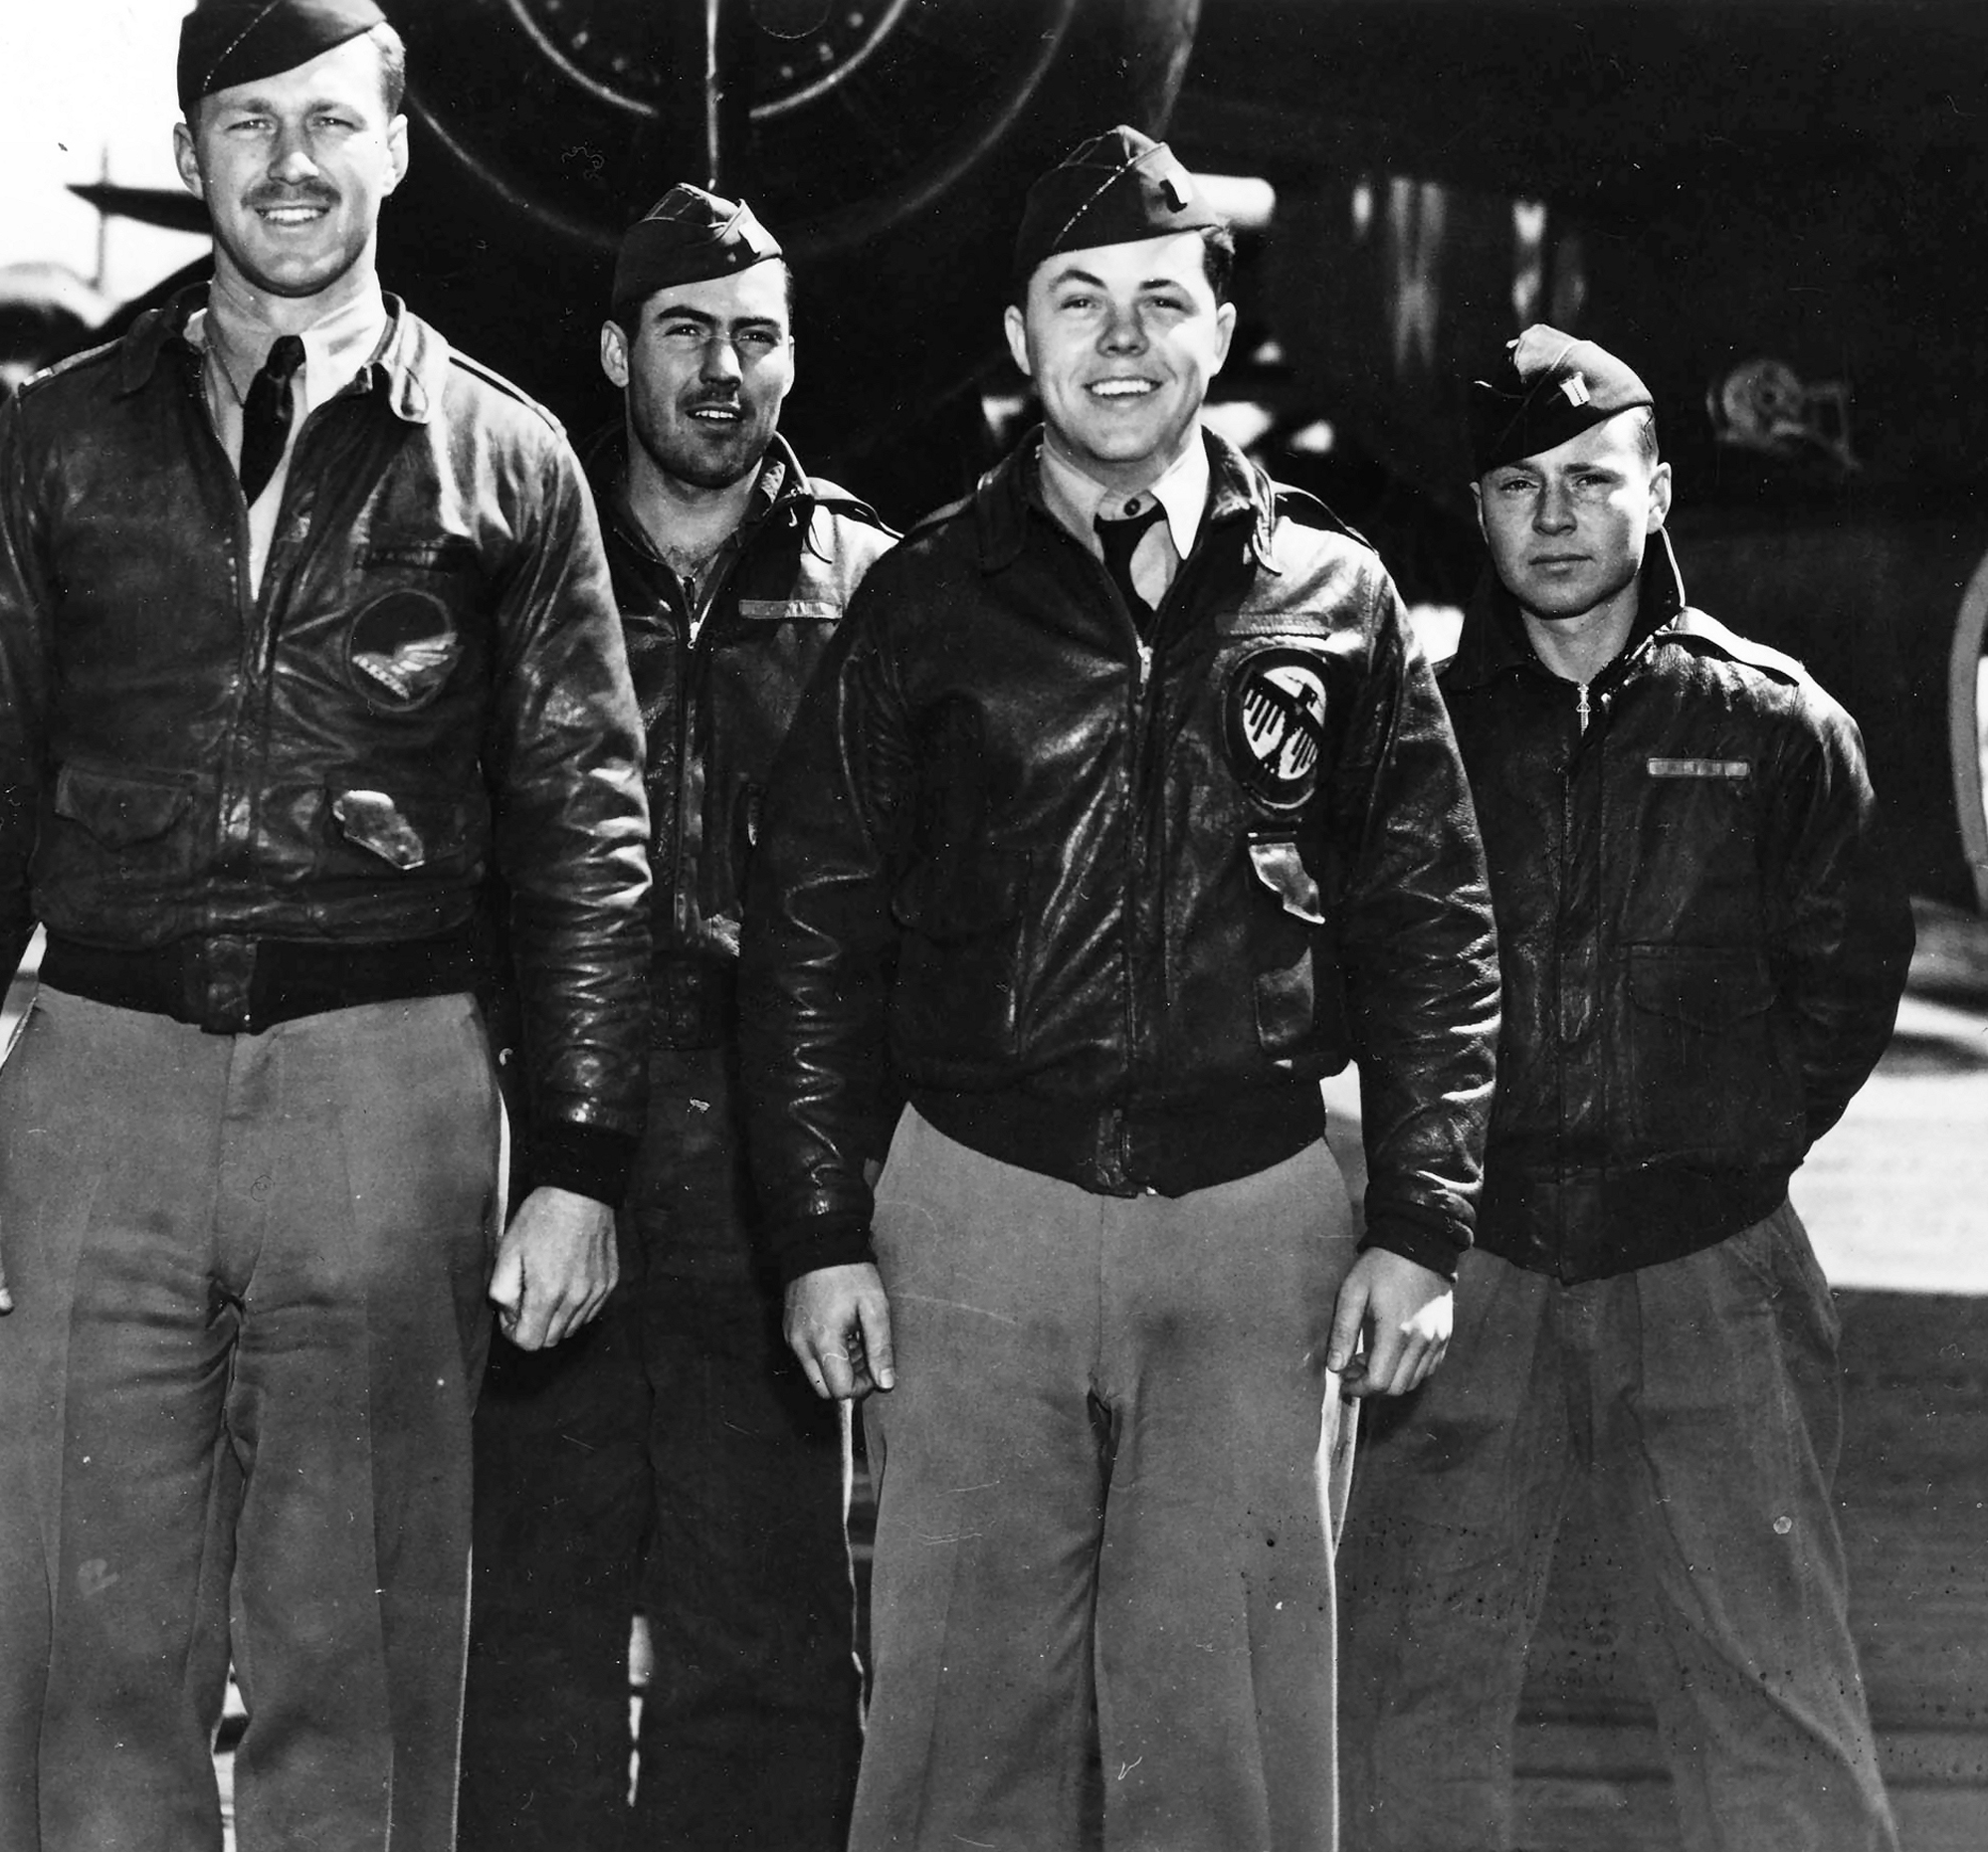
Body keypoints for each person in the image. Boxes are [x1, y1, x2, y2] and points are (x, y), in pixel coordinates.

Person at [0, 3, 652, 1846]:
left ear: (395, 147)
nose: (288, 165)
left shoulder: (510, 462)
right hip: (104, 1084)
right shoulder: (56, 445)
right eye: (244, 125)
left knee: (360, 1657)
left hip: (385, 1097)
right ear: (195, 152)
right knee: (82, 1651)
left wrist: (581, 1153)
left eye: (326, 123)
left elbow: (589, 826)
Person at [739, 125, 1503, 1851]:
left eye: (1163, 300)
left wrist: (1423, 1221)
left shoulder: (1336, 595)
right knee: (955, 1739)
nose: (1122, 340)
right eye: (1077, 302)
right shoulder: (926, 598)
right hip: (978, 1215)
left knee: (1229, 1745)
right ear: (1018, 341)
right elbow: (813, 926)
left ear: (1223, 329)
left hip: (1248, 1221)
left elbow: (1435, 918)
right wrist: (815, 1227)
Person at [1336, 326, 1911, 1852]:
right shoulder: (1425, 737)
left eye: (1592, 477)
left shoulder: (1775, 726)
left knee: (1769, 1687)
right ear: (1479, 513)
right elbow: (1374, 982)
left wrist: (1722, 1144)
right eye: (1519, 483)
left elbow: (1847, 976)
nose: (1556, 513)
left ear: (1655, 491)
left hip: (1708, 1269)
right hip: (1479, 1260)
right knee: (1412, 1699)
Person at [461, 184, 894, 1852]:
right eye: (688, 333)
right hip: (558, 1129)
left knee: (772, 1621)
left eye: (759, 336)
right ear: (613, 352)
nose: (725, 372)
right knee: (533, 1612)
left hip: (777, 1150)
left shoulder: (877, 579)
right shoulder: (520, 566)